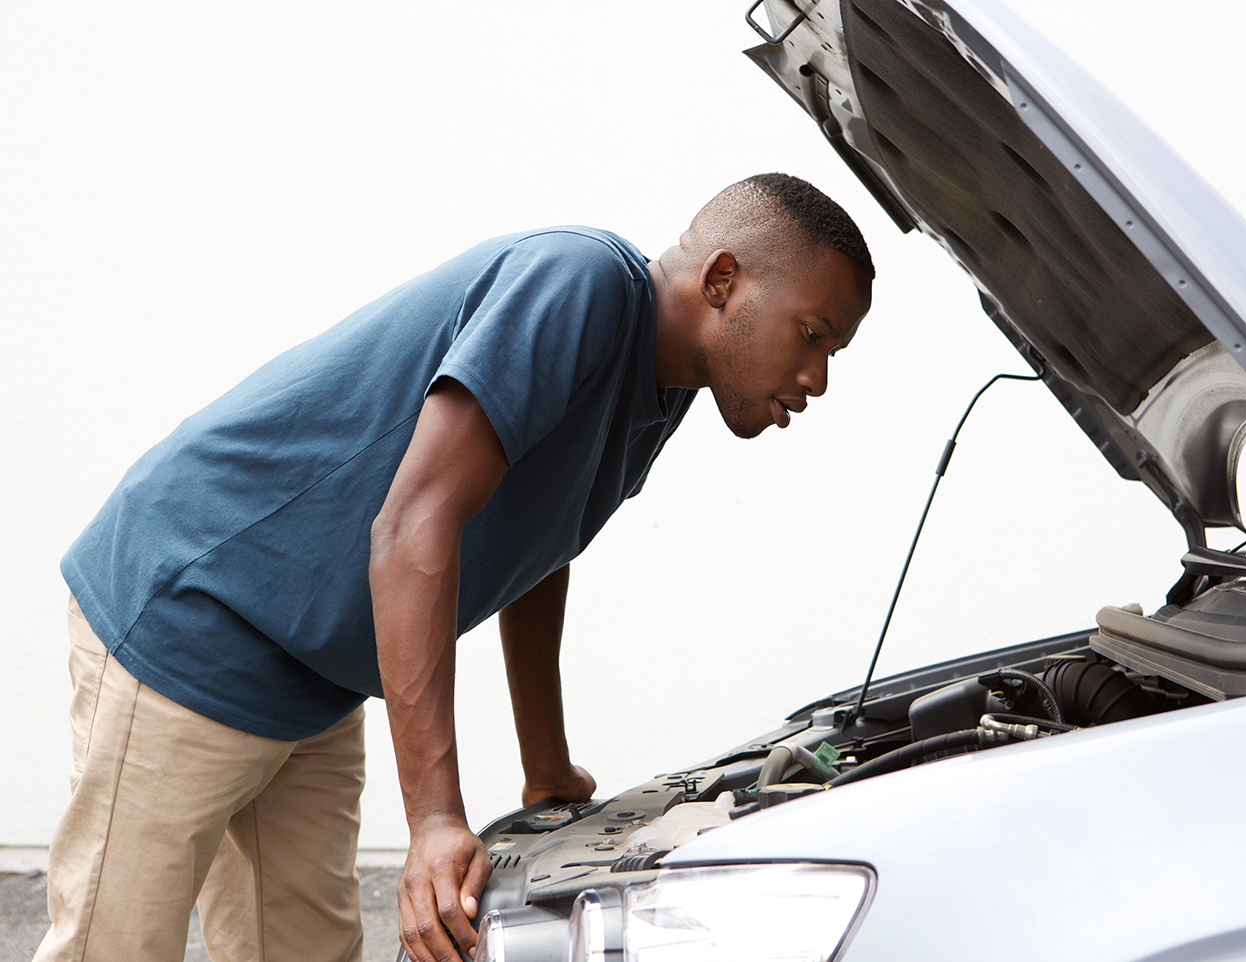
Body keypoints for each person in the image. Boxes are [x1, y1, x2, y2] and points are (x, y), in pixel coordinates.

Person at [36, 172, 874, 962]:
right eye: (813, 334)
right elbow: (411, 529)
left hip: (314, 679)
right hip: (195, 616)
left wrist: (544, 761)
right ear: (723, 278)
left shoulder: (662, 388)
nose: (822, 379)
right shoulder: (577, 283)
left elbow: (541, 540)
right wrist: (435, 820)